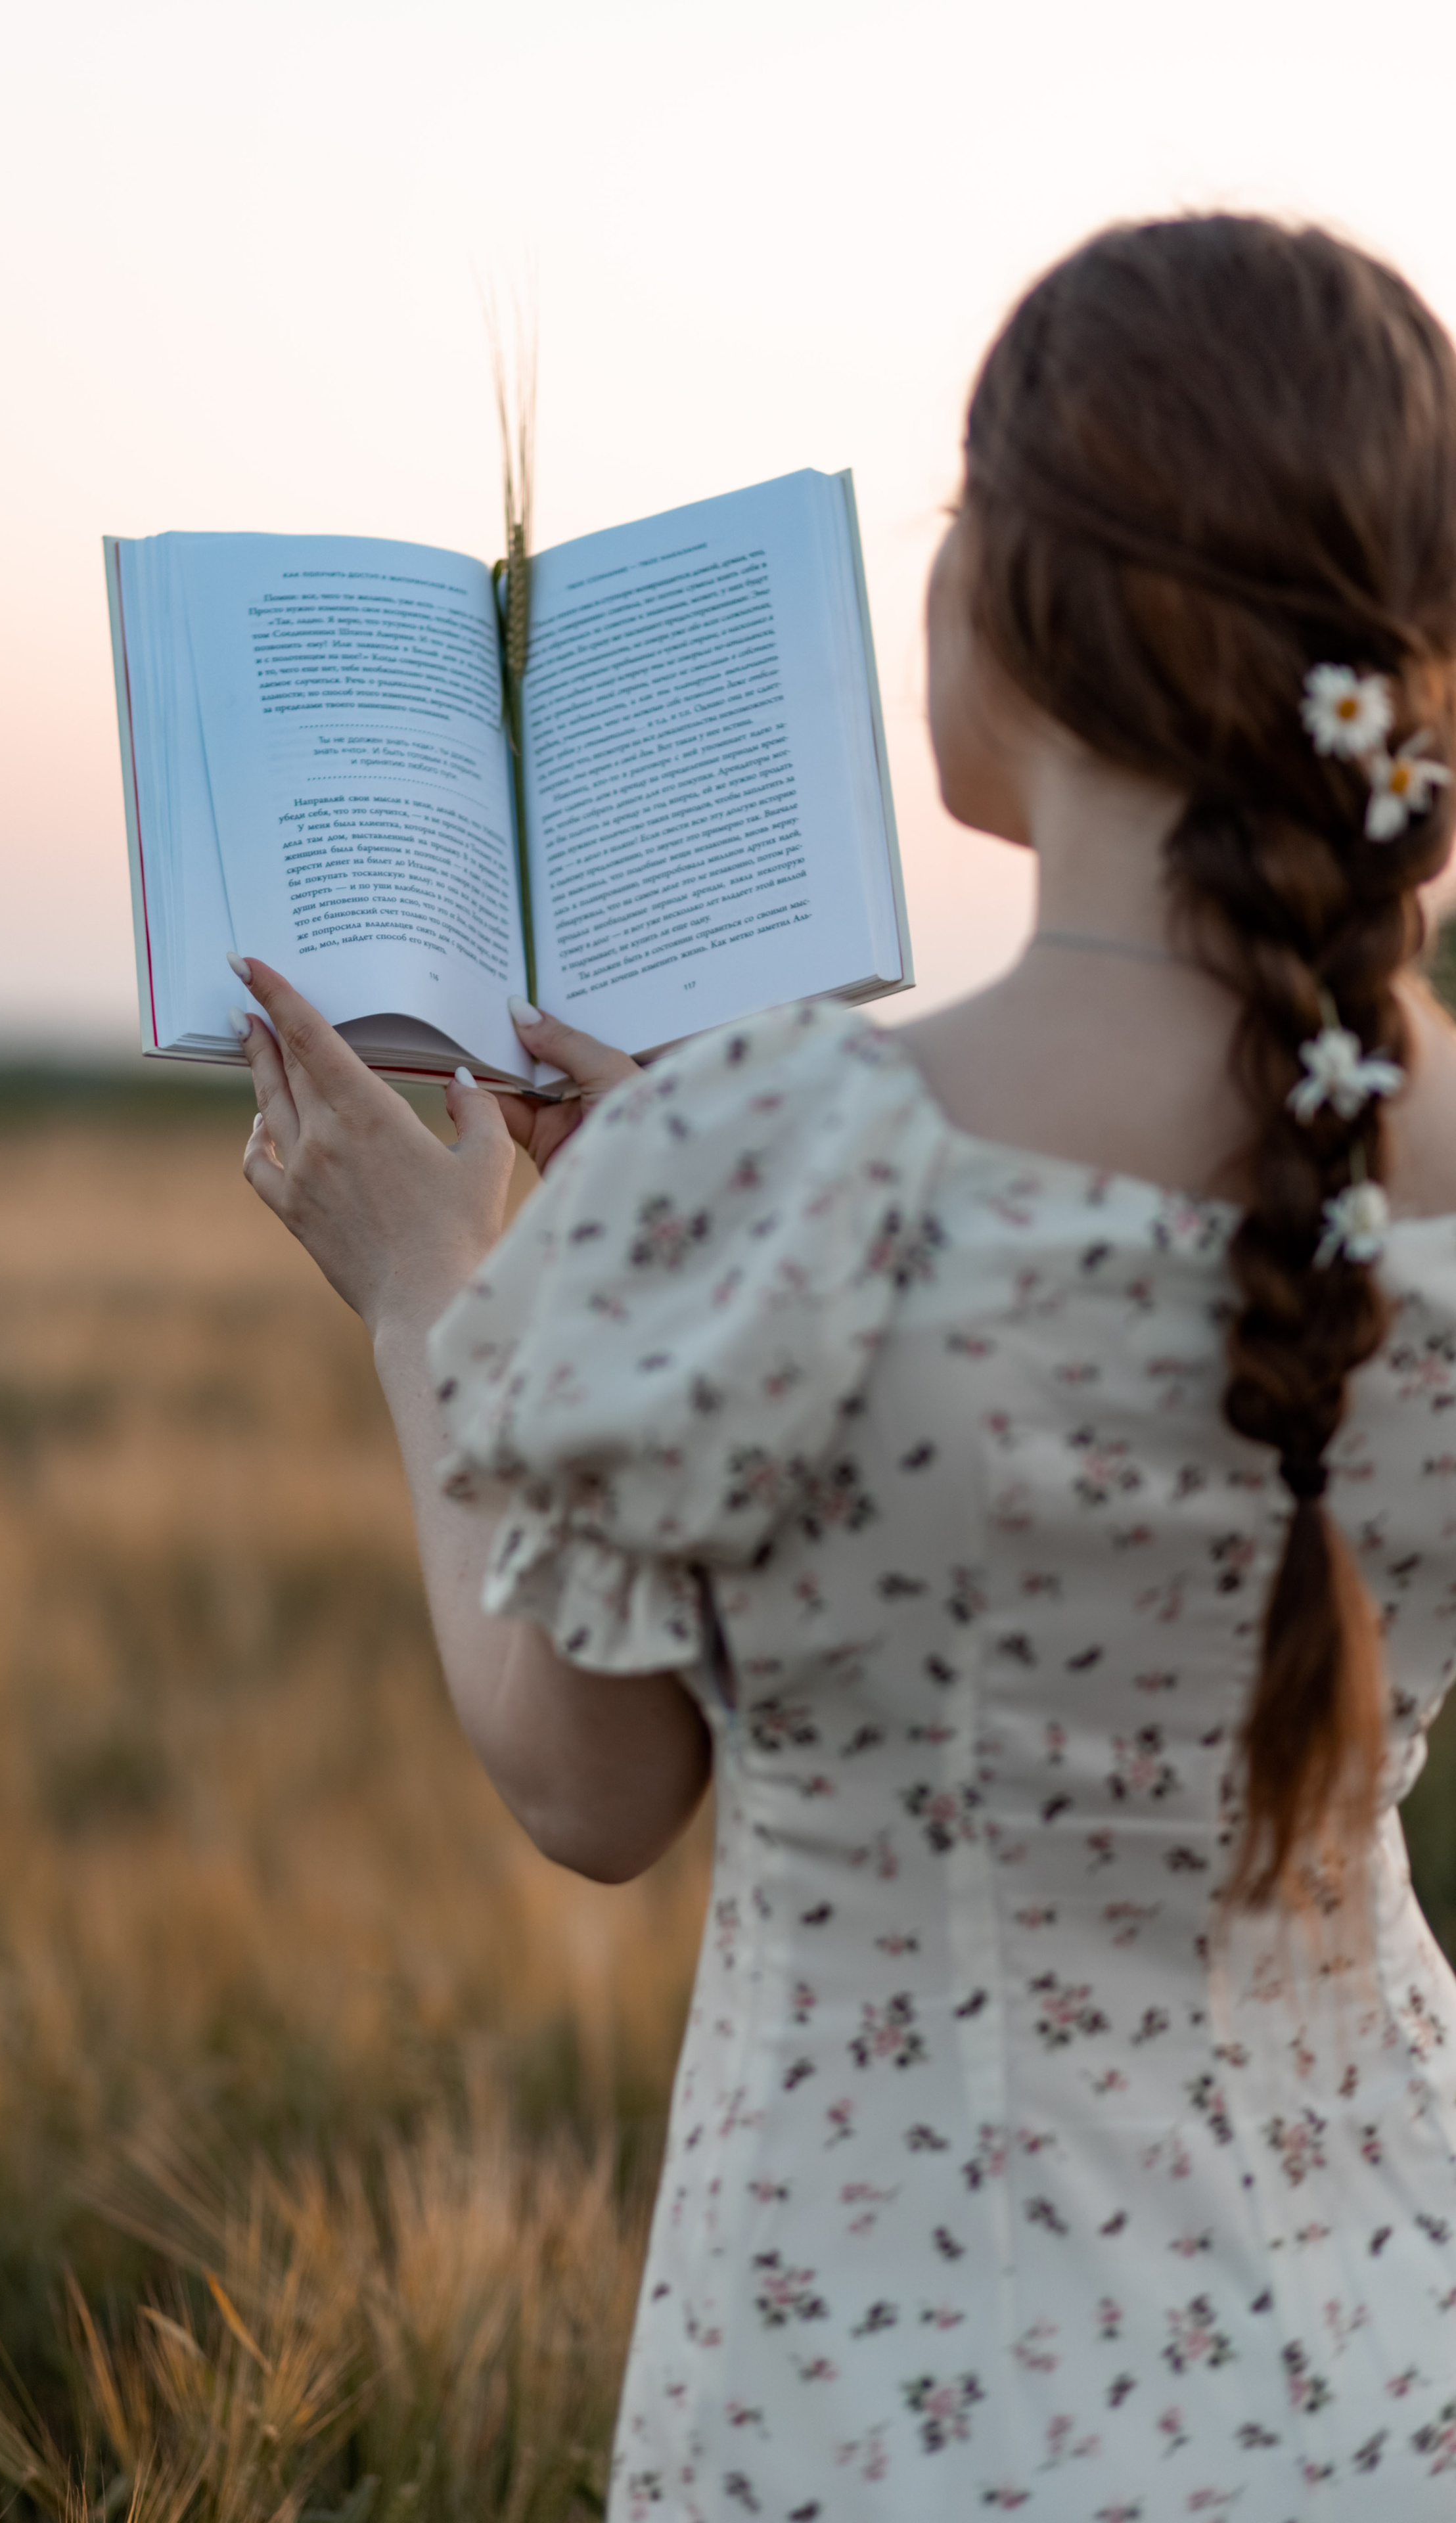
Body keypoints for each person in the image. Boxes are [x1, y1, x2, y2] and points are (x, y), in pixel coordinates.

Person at [227, 214, 1456, 2515]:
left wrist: (433, 1288)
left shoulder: (783, 1162)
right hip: (1398, 2358)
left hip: (886, 2390)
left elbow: (590, 1792)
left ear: (1012, 606)